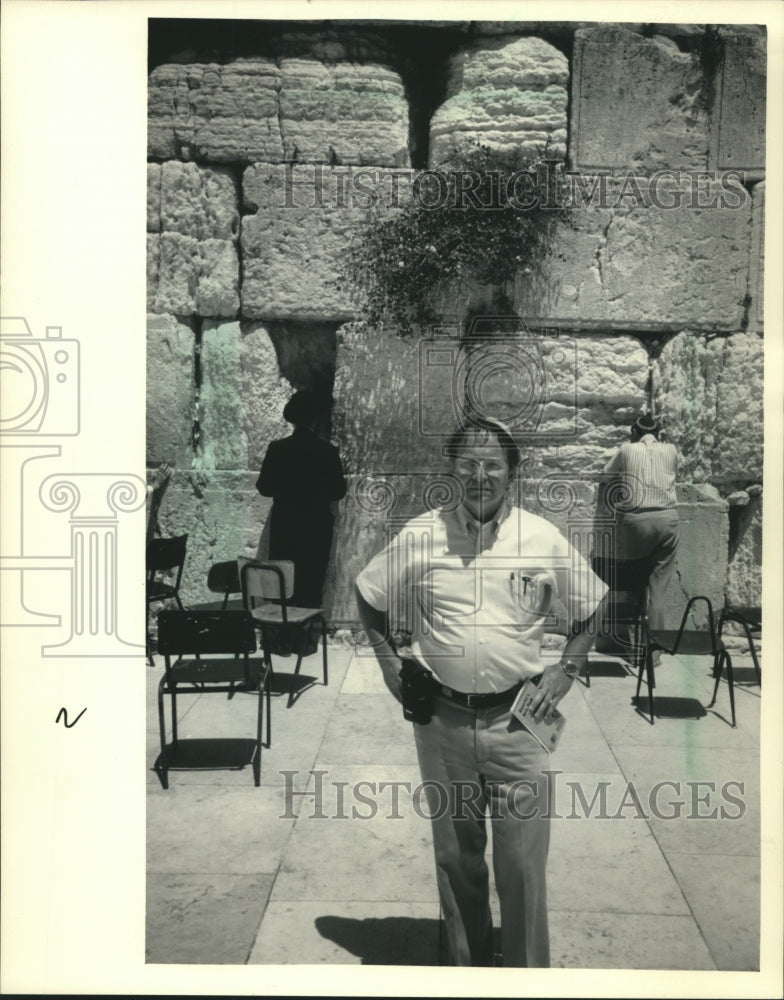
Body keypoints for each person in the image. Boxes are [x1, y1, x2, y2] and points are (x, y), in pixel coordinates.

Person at [354, 417, 608, 967]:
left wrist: (566, 669)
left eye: (492, 464)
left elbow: (592, 606)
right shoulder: (421, 535)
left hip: (520, 723)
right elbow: (367, 594)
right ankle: (466, 973)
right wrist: (388, 664)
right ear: (451, 470)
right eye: (467, 463)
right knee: (457, 861)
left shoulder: (540, 537)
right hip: (442, 724)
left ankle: (524, 976)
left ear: (512, 474)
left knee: (522, 868)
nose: (479, 474)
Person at [256, 391, 347, 608]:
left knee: (283, 583)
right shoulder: (327, 451)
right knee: (310, 583)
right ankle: (304, 635)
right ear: (315, 420)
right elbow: (338, 492)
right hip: (315, 528)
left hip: (285, 526)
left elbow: (264, 488)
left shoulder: (277, 449)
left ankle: (280, 633)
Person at [602, 412, 679, 635]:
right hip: (668, 519)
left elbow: (606, 476)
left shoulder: (627, 449)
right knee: (658, 588)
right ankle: (654, 650)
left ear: (634, 433)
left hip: (635, 522)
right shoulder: (672, 450)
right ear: (658, 434)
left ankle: (630, 642)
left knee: (633, 582)